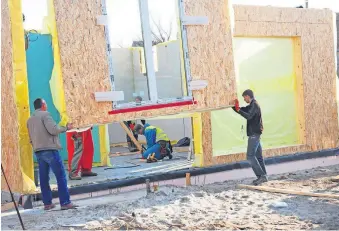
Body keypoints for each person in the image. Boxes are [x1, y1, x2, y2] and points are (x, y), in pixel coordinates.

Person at [27, 98, 77, 210]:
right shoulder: (45, 115)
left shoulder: (30, 120)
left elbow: (30, 138)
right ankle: (65, 202)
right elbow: (53, 130)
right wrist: (66, 128)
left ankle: (47, 203)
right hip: (50, 149)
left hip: (38, 151)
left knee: (44, 179)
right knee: (61, 176)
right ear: (43, 105)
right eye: (46, 103)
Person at [231, 89, 268, 185]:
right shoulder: (252, 105)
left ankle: (261, 176)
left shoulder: (254, 105)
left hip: (254, 134)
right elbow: (244, 110)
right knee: (258, 156)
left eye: (244, 97)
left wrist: (238, 110)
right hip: (256, 133)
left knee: (250, 156)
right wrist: (234, 107)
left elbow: (248, 116)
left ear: (248, 96)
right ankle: (264, 176)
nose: (244, 99)